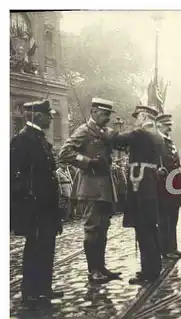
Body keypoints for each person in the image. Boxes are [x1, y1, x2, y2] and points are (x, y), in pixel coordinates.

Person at [59, 98, 121, 284]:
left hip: (106, 186)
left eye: (109, 115)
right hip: (91, 186)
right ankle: (93, 270)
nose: (107, 118)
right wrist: (87, 161)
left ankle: (101, 267)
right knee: (92, 229)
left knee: (103, 228)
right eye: (104, 114)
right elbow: (65, 152)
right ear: (93, 112)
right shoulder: (83, 131)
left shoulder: (107, 132)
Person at [11, 100, 64, 304]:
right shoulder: (22, 140)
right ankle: (30, 290)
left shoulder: (40, 139)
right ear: (35, 115)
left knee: (47, 245)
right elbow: (14, 174)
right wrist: (26, 198)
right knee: (34, 246)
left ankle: (44, 287)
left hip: (47, 204)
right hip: (33, 204)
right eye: (47, 115)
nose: (50, 118)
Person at [108, 105, 163, 285]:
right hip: (150, 184)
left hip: (140, 185)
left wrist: (108, 131)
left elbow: (116, 139)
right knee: (151, 228)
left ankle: (148, 272)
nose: (135, 121)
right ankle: (154, 267)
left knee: (143, 228)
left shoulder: (141, 133)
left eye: (137, 117)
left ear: (144, 116)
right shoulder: (156, 135)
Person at [156, 113, 181, 260]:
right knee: (164, 219)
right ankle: (165, 249)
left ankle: (173, 247)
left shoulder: (170, 142)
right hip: (162, 185)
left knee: (173, 217)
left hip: (174, 184)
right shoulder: (157, 142)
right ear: (158, 125)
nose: (169, 127)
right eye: (166, 125)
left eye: (170, 124)